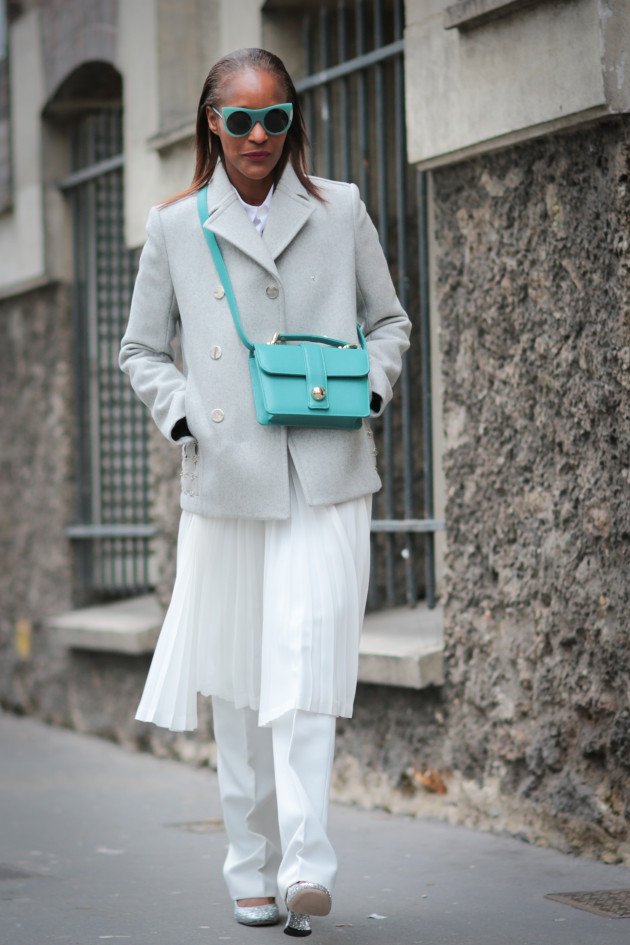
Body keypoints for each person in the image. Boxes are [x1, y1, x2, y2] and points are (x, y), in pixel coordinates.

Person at [119, 47, 411, 938]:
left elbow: (390, 319)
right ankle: (249, 864)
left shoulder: (342, 210)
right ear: (212, 122)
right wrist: (184, 420)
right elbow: (140, 349)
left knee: (308, 662)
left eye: (274, 119)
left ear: (294, 122)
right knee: (242, 685)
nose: (257, 136)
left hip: (326, 472)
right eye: (239, 119)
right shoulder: (176, 226)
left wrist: (367, 390)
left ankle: (307, 868)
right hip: (229, 476)